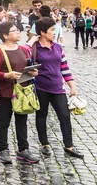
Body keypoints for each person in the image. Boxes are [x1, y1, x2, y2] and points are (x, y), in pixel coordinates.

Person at [28, 18, 84, 159]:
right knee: (41, 116)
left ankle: (69, 145)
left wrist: (72, 86)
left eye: (55, 29)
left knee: (65, 116)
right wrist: (31, 41)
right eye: (52, 30)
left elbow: (64, 68)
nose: (55, 32)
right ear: (42, 32)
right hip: (40, 88)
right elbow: (25, 62)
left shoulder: (58, 47)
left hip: (58, 88)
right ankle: (45, 144)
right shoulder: (34, 48)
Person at [0, 21, 39, 165]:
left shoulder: (23, 49)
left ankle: (23, 150)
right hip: (6, 92)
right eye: (15, 31)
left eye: (18, 30)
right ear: (5, 35)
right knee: (4, 121)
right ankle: (3, 150)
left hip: (23, 90)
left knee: (22, 121)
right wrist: (7, 75)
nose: (18, 32)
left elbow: (27, 65)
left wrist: (32, 72)